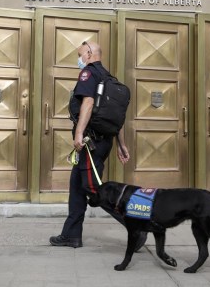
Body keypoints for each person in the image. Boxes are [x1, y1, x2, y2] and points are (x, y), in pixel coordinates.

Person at [49, 41, 147, 249]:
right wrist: (121, 144)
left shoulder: (89, 74)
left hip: (89, 143)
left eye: (80, 54)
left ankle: (137, 227)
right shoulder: (110, 79)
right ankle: (71, 235)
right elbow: (116, 117)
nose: (79, 59)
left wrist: (78, 134)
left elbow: (88, 103)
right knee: (77, 186)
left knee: (94, 189)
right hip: (102, 142)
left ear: (89, 53)